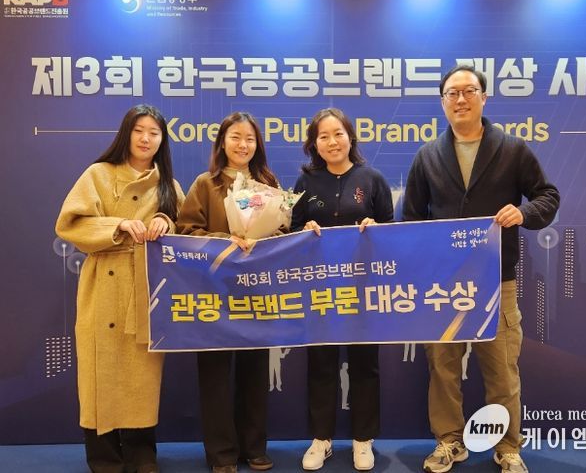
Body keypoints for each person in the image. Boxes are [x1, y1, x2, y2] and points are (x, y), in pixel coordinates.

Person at [402, 66, 560, 473]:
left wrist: (523, 213)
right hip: (442, 284)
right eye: (452, 93)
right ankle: (448, 442)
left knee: (501, 369)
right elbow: (412, 219)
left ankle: (507, 447)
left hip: (496, 280)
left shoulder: (512, 149)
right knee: (442, 367)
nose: (461, 99)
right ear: (442, 102)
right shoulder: (427, 155)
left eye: (469, 91)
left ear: (484, 98)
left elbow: (547, 196)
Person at [55, 104, 185, 473]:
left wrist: (165, 221)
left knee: (142, 375)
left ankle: (142, 454)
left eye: (154, 133)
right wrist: (118, 225)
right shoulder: (98, 174)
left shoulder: (169, 185)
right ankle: (104, 456)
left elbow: (188, 227)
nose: (146, 138)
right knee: (100, 370)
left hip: (146, 288)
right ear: (126, 133)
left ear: (162, 140)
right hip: (103, 284)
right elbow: (70, 223)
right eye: (139, 130)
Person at [291, 108, 394, 471]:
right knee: (321, 363)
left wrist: (376, 228)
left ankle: (363, 439)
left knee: (365, 364)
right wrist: (303, 230)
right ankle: (321, 439)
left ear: (350, 137)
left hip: (363, 290)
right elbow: (291, 229)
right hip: (320, 289)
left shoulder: (373, 179)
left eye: (338, 134)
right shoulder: (305, 182)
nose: (332, 142)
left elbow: (392, 232)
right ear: (314, 144)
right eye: (323, 136)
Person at [177, 112, 278, 473]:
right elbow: (186, 231)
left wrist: (263, 240)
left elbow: (283, 232)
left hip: (256, 294)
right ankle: (221, 454)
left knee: (255, 373)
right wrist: (226, 240)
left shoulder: (267, 184)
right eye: (235, 137)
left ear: (257, 144)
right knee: (215, 377)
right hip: (213, 294)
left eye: (250, 139)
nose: (243, 145)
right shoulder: (205, 184)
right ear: (222, 142)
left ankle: (254, 447)